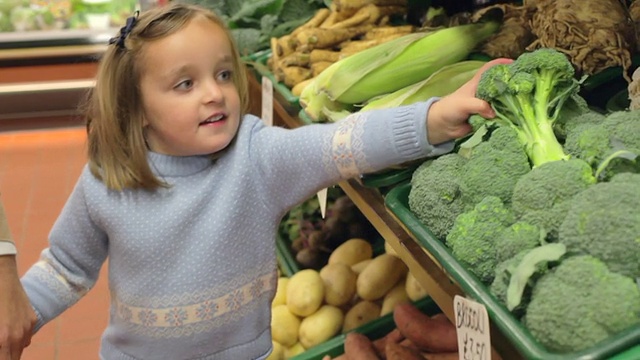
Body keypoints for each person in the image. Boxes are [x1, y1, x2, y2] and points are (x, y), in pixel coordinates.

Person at [0, 3, 506, 360]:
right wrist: (21, 316)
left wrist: (433, 118)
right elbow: (65, 268)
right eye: (185, 83)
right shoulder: (107, 181)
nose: (214, 94)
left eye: (223, 74)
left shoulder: (255, 155)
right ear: (137, 109)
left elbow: (342, 143)